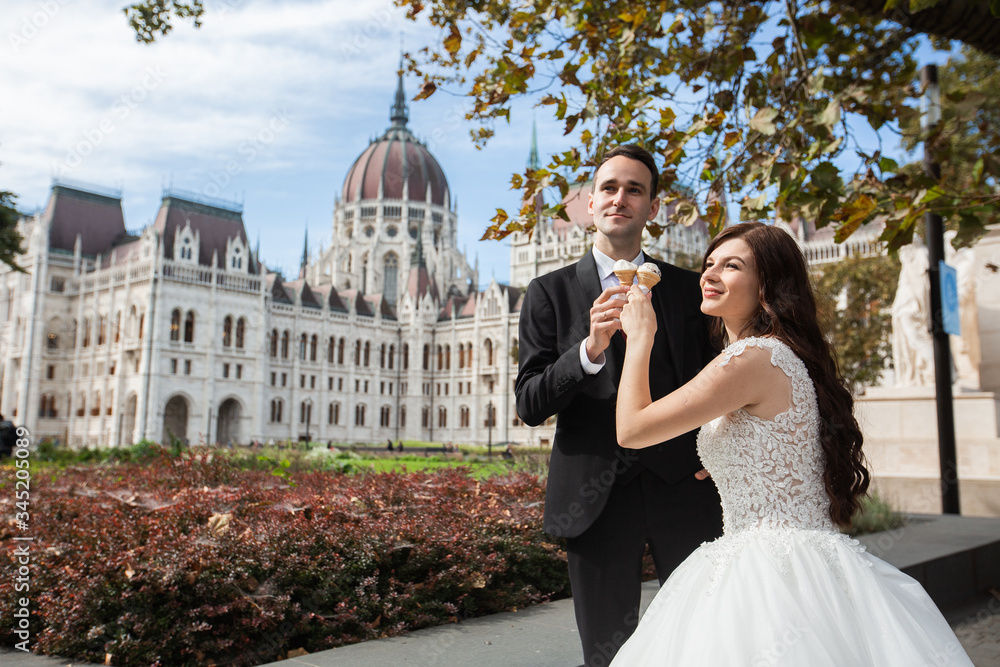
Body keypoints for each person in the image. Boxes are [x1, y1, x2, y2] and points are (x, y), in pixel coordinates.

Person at [611, 222, 973, 665]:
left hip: (765, 569)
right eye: (709, 264)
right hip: (807, 560)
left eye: (732, 265)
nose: (709, 274)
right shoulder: (781, 353)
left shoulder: (751, 358)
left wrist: (640, 338)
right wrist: (728, 461)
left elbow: (632, 429)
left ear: (767, 285)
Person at [515, 144, 723, 666]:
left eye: (635, 189)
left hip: (684, 490)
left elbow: (718, 380)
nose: (620, 199)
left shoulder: (686, 289)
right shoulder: (548, 292)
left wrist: (717, 453)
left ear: (653, 208)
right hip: (594, 499)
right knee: (606, 653)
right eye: (609, 188)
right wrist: (586, 352)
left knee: (702, 643)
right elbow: (529, 402)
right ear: (589, 204)